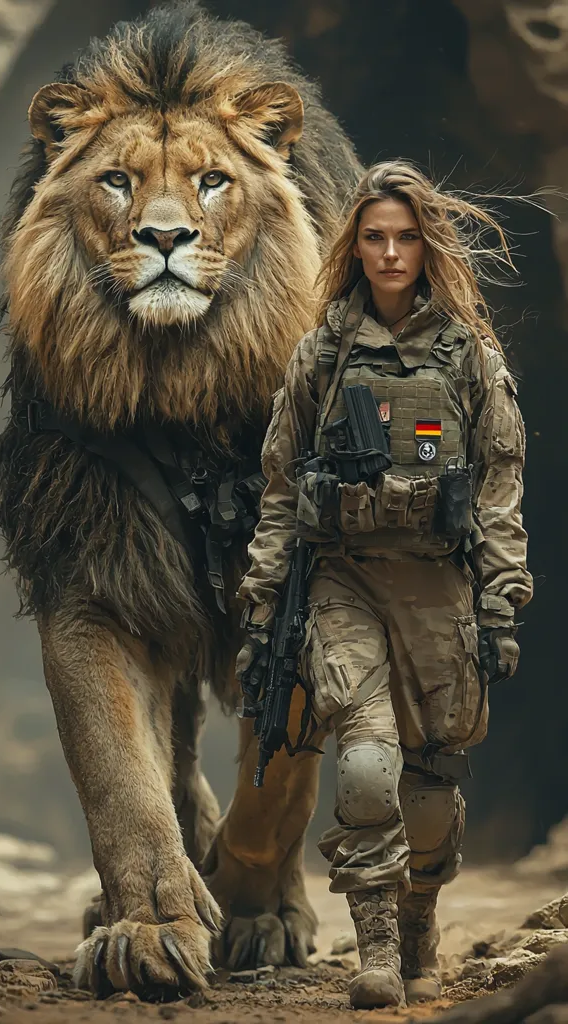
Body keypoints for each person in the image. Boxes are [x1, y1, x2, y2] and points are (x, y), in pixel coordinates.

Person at [234, 161, 532, 1010]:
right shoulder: (323, 352)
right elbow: (283, 486)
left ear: (426, 244)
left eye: (405, 237)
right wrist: (264, 600)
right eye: (375, 237)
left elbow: (503, 483)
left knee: (430, 783)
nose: (392, 253)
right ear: (355, 246)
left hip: (439, 588)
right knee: (365, 763)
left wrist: (502, 597)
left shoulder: (469, 356)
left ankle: (418, 923)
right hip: (344, 582)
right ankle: (371, 945)